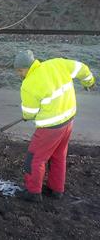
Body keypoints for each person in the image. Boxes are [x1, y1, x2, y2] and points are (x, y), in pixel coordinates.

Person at [14, 50, 95, 202]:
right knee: (58, 156)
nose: (19, 74)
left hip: (50, 128)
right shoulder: (57, 63)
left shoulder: (29, 84)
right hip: (68, 121)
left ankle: (33, 193)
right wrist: (89, 81)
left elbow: (30, 113)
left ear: (26, 67)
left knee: (35, 159)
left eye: (20, 70)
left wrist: (27, 116)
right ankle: (56, 190)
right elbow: (82, 68)